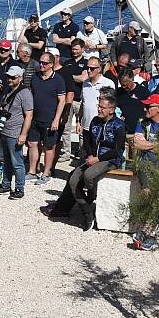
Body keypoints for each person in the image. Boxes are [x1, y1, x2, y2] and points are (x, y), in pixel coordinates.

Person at [48, 91, 125, 230]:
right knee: (73, 180)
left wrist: (98, 159)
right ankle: (87, 210)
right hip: (92, 157)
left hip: (109, 159)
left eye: (102, 107)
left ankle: (91, 197)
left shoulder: (118, 125)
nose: (99, 109)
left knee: (88, 175)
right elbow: (87, 139)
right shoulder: (95, 120)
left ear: (111, 110)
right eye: (99, 106)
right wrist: (90, 155)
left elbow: (118, 150)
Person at [129, 94, 159, 250]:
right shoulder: (142, 122)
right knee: (148, 194)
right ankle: (146, 233)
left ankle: (147, 233)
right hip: (145, 164)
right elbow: (137, 144)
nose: (145, 109)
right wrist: (158, 144)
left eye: (149, 106)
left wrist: (148, 144)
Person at [0, 65, 33, 199]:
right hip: (4, 131)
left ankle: (19, 188)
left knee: (17, 162)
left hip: (15, 133)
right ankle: (6, 185)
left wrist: (23, 135)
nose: (9, 79)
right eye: (8, 76)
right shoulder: (8, 90)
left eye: (12, 77)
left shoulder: (25, 93)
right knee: (5, 161)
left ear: (20, 78)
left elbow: (29, 115)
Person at [29, 56, 68, 182]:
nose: (41, 65)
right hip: (35, 118)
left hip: (49, 118)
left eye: (45, 63)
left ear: (51, 64)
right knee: (32, 144)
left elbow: (62, 101)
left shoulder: (58, 79)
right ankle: (32, 171)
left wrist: (56, 119)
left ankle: (46, 173)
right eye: (40, 62)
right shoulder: (35, 77)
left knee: (49, 147)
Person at [115, 68, 150, 136]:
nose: (124, 87)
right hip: (123, 131)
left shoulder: (143, 91)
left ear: (132, 79)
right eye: (122, 85)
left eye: (126, 84)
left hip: (139, 131)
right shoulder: (118, 92)